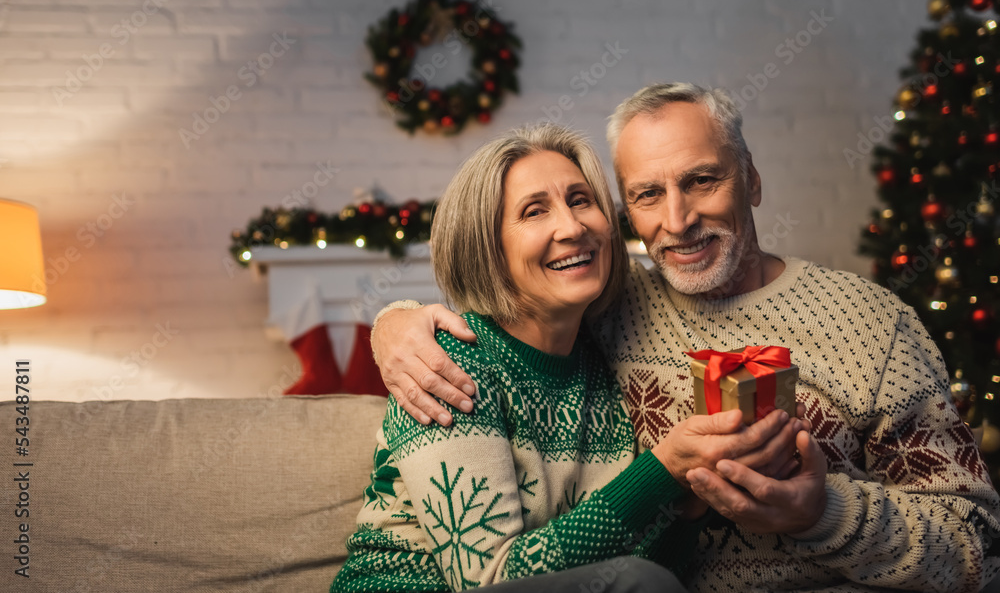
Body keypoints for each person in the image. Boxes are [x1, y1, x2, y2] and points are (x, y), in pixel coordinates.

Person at [371, 83, 1000, 592]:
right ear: (628, 212)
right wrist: (394, 321)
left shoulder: (869, 324)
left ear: (750, 180)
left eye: (702, 181)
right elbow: (513, 307)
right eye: (647, 194)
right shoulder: (608, 309)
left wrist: (822, 514)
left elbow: (977, 548)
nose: (678, 220)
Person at [332, 124, 808, 593]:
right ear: (488, 247)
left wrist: (687, 506)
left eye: (581, 200)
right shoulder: (452, 362)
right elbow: (490, 579)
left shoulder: (603, 368)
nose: (573, 226)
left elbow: (609, 574)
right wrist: (662, 468)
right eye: (534, 212)